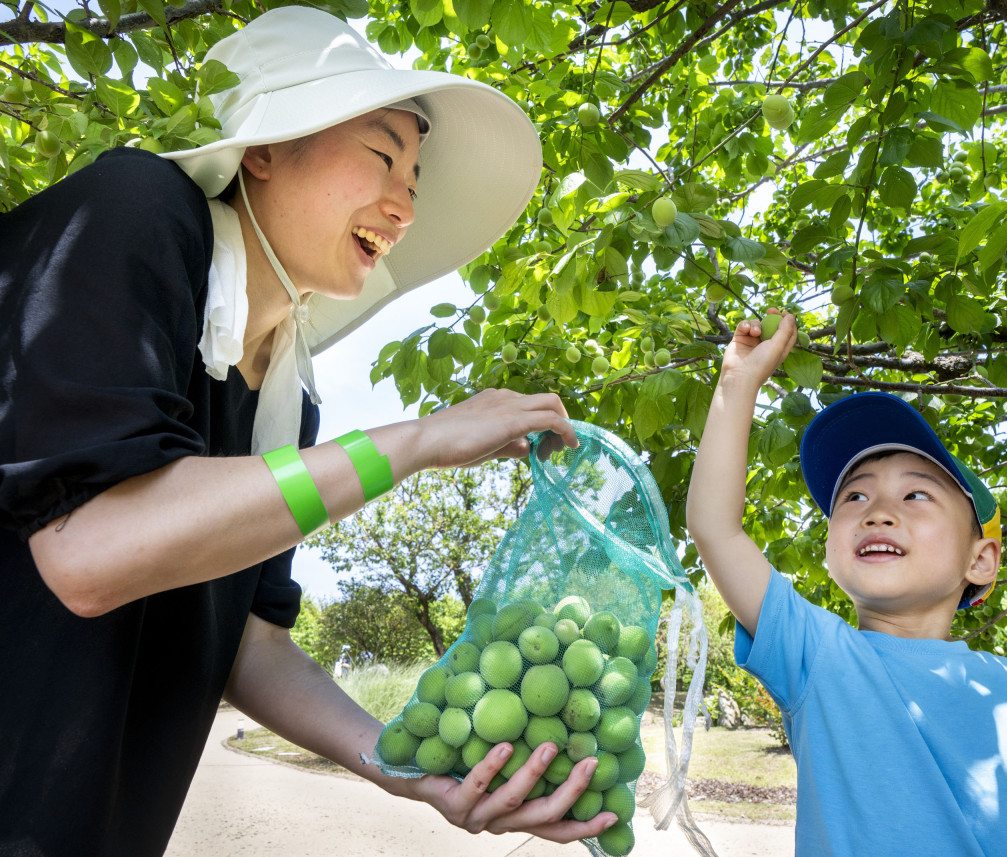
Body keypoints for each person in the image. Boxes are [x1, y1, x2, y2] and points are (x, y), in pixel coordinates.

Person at [0, 8, 618, 855]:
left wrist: (401, 764)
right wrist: (415, 441)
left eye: (416, 177)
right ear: (262, 148)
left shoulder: (290, 396)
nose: (404, 202)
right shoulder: (136, 209)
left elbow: (250, 642)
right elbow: (90, 549)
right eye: (382, 153)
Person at [685, 311, 1007, 857]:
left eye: (916, 495)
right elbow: (715, 528)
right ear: (830, 551)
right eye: (853, 497)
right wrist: (737, 384)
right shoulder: (819, 656)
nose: (877, 512)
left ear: (980, 561)